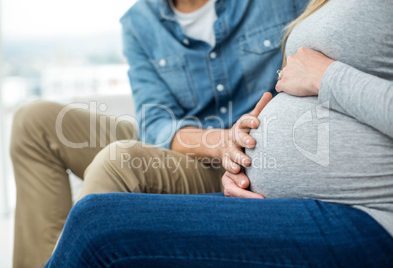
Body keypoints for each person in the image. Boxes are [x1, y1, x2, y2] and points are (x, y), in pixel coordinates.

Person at [44, 0, 393, 267]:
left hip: (366, 209)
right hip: (225, 156)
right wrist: (233, 151)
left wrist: (326, 77)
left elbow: (316, 78)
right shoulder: (139, 21)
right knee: (41, 126)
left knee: (99, 214)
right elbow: (155, 124)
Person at [10, 0, 308, 267]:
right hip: (192, 142)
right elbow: (155, 124)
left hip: (242, 157)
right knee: (33, 121)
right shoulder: (139, 21)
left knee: (120, 160)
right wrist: (219, 140)